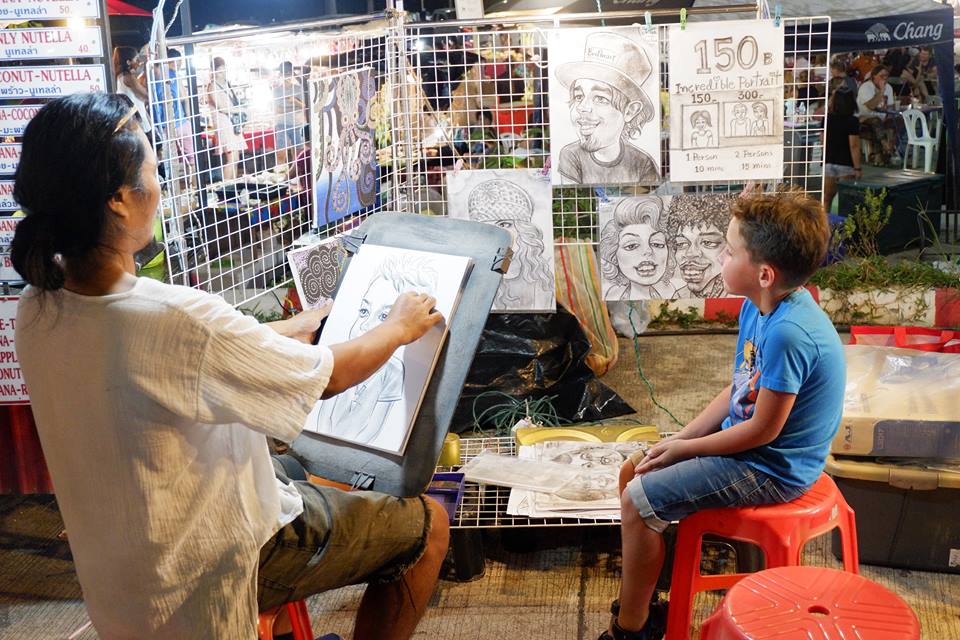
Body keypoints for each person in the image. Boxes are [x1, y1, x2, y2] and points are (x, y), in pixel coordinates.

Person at [10, 93, 449, 640]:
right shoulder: (173, 318)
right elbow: (330, 377)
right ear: (119, 199)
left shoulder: (38, 307)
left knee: (297, 471)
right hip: (210, 570)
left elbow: (175, 361)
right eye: (152, 172)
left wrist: (291, 329)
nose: (159, 187)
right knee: (429, 526)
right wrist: (399, 326)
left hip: (120, 573)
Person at [599, 189, 845, 640]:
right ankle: (653, 596)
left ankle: (631, 629)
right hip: (751, 446)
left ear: (764, 274)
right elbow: (739, 388)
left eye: (729, 251)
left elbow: (761, 431)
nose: (719, 257)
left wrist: (686, 449)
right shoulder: (760, 306)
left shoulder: (790, 333)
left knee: (638, 498)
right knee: (634, 471)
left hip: (774, 468)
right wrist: (680, 439)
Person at [556, 32, 659, 185]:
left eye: (600, 98)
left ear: (630, 111)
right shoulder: (570, 156)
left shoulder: (643, 164)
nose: (582, 107)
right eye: (579, 96)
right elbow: (573, 197)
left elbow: (647, 197)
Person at [466, 178, 554, 311]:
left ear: (522, 228)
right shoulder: (489, 270)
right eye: (487, 228)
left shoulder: (539, 274)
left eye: (504, 224)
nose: (497, 234)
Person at [599, 196, 675, 300]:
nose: (648, 251)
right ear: (613, 255)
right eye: (631, 246)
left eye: (657, 244)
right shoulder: (612, 295)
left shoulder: (673, 294)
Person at [664, 194, 731, 299]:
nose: (690, 254)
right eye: (681, 244)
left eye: (707, 242)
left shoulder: (743, 295)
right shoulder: (680, 296)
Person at [206, 56, 246, 180]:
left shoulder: (225, 84)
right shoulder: (213, 86)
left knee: (235, 158)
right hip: (223, 123)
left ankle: (233, 185)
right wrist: (241, 110)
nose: (223, 73)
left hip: (230, 123)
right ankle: (227, 186)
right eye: (220, 71)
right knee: (231, 158)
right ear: (214, 71)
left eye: (224, 70)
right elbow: (222, 107)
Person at [823, 86, 862, 212]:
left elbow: (823, 141)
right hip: (846, 163)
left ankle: (824, 222)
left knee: (826, 198)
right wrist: (857, 168)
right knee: (845, 200)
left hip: (829, 161)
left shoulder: (827, 118)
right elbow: (854, 146)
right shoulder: (852, 121)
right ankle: (843, 223)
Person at [856, 65, 897, 165]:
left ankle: (886, 150)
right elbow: (871, 106)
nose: (885, 78)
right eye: (882, 76)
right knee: (876, 122)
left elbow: (891, 107)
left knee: (895, 121)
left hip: (881, 117)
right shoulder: (866, 87)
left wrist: (888, 116)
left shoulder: (889, 87)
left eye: (886, 75)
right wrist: (881, 91)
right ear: (874, 76)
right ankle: (887, 148)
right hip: (865, 117)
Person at [112, 46, 152, 137]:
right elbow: (147, 95)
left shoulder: (121, 76)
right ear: (128, 62)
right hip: (139, 121)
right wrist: (147, 73)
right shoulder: (129, 78)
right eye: (136, 59)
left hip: (133, 119)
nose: (139, 62)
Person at [273, 61, 306, 167]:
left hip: (297, 124)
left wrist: (294, 101)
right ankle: (282, 174)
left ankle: (295, 174)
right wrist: (295, 107)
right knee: (281, 154)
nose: (286, 76)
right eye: (284, 73)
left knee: (299, 155)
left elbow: (304, 106)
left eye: (288, 73)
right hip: (282, 124)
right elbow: (277, 110)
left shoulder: (298, 88)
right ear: (280, 74)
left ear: (292, 73)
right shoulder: (276, 91)